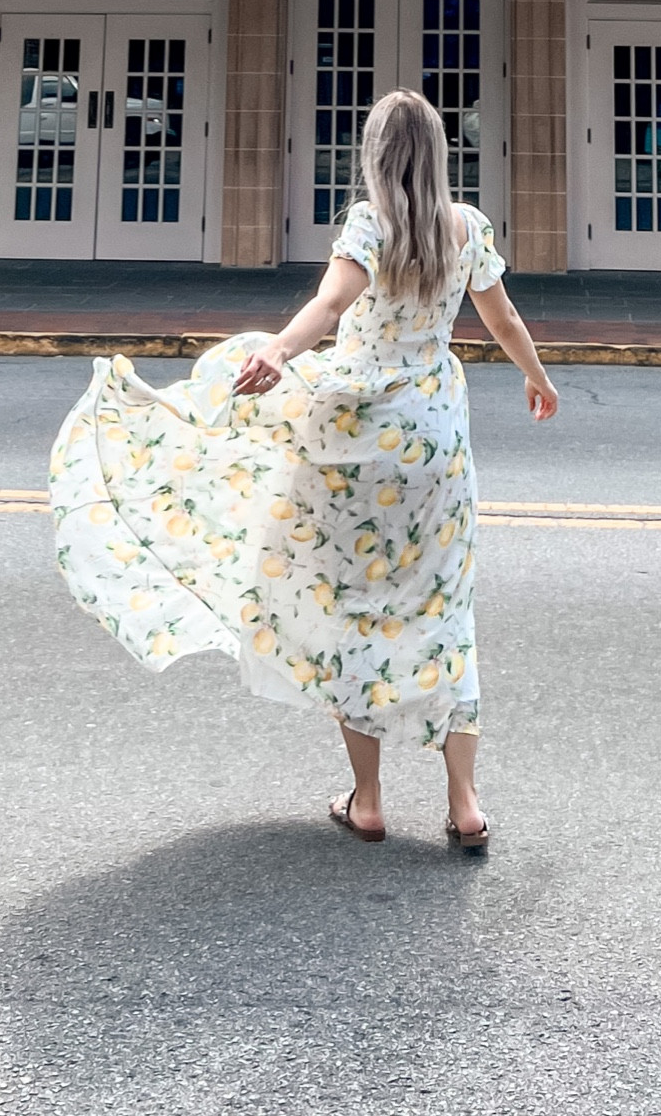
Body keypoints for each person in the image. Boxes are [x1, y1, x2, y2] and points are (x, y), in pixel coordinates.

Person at [50, 87, 559, 853]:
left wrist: (278, 351)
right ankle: (464, 804)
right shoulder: (468, 228)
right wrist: (539, 377)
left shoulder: (368, 224)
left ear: (376, 156)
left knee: (348, 610)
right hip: (433, 441)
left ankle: (370, 801)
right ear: (440, 155)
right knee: (443, 612)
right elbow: (503, 319)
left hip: (355, 439)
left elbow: (328, 307)